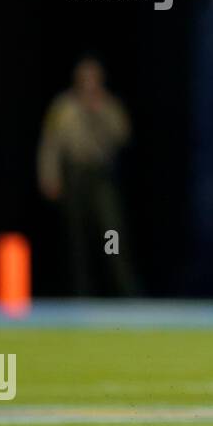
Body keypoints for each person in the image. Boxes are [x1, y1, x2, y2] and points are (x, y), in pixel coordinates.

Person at [37, 57, 137, 297]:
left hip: (100, 176)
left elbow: (123, 135)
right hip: (74, 176)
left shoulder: (108, 104)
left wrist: (100, 111)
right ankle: (81, 293)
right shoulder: (64, 107)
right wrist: (49, 176)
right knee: (76, 239)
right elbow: (51, 144)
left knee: (111, 234)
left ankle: (127, 291)